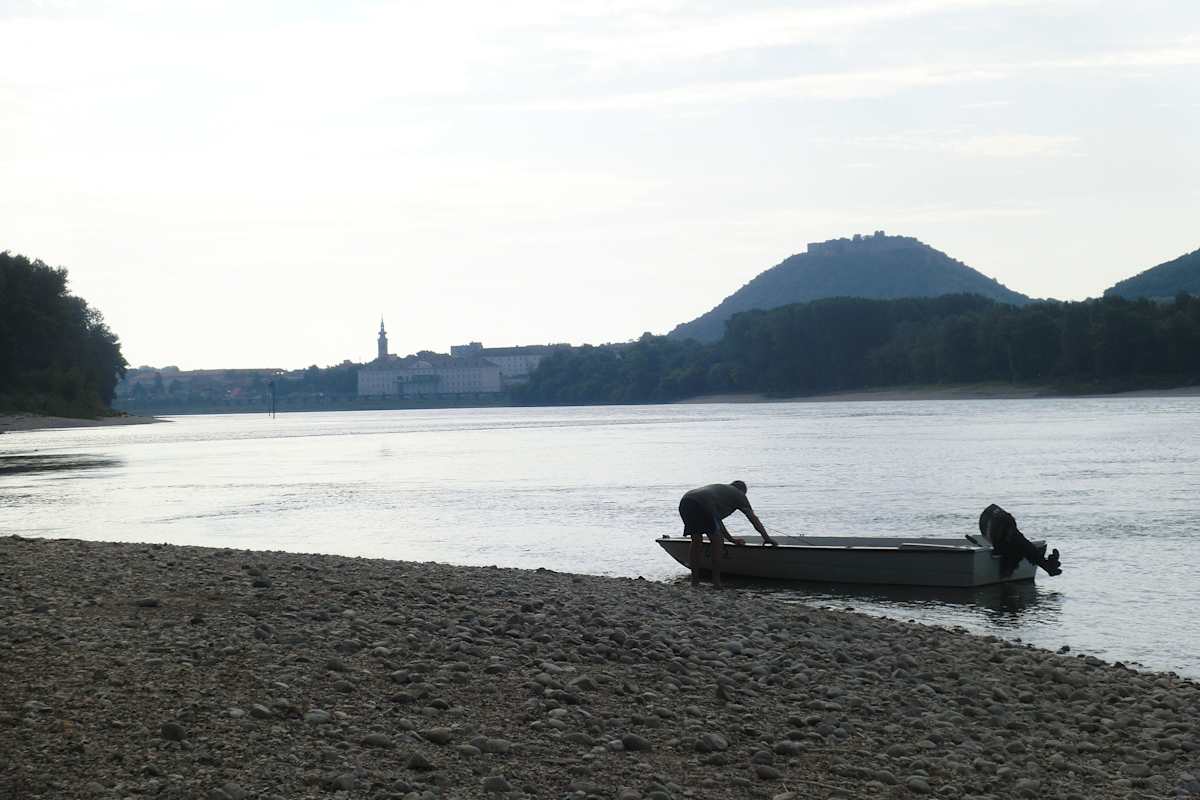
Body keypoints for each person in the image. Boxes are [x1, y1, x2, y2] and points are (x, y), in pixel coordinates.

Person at [678, 480, 777, 588]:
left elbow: (717, 522)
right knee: (717, 542)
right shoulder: (739, 495)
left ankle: (695, 581)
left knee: (696, 540)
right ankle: (716, 582)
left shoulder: (720, 491)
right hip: (703, 505)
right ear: (743, 491)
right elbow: (753, 519)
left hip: (686, 501)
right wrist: (767, 538)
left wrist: (731, 539)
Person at [978, 503, 1062, 577]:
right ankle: (1048, 566)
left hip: (1001, 530)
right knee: (1022, 545)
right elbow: (999, 547)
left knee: (1022, 544)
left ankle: (1048, 566)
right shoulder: (1005, 530)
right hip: (999, 535)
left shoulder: (1011, 529)